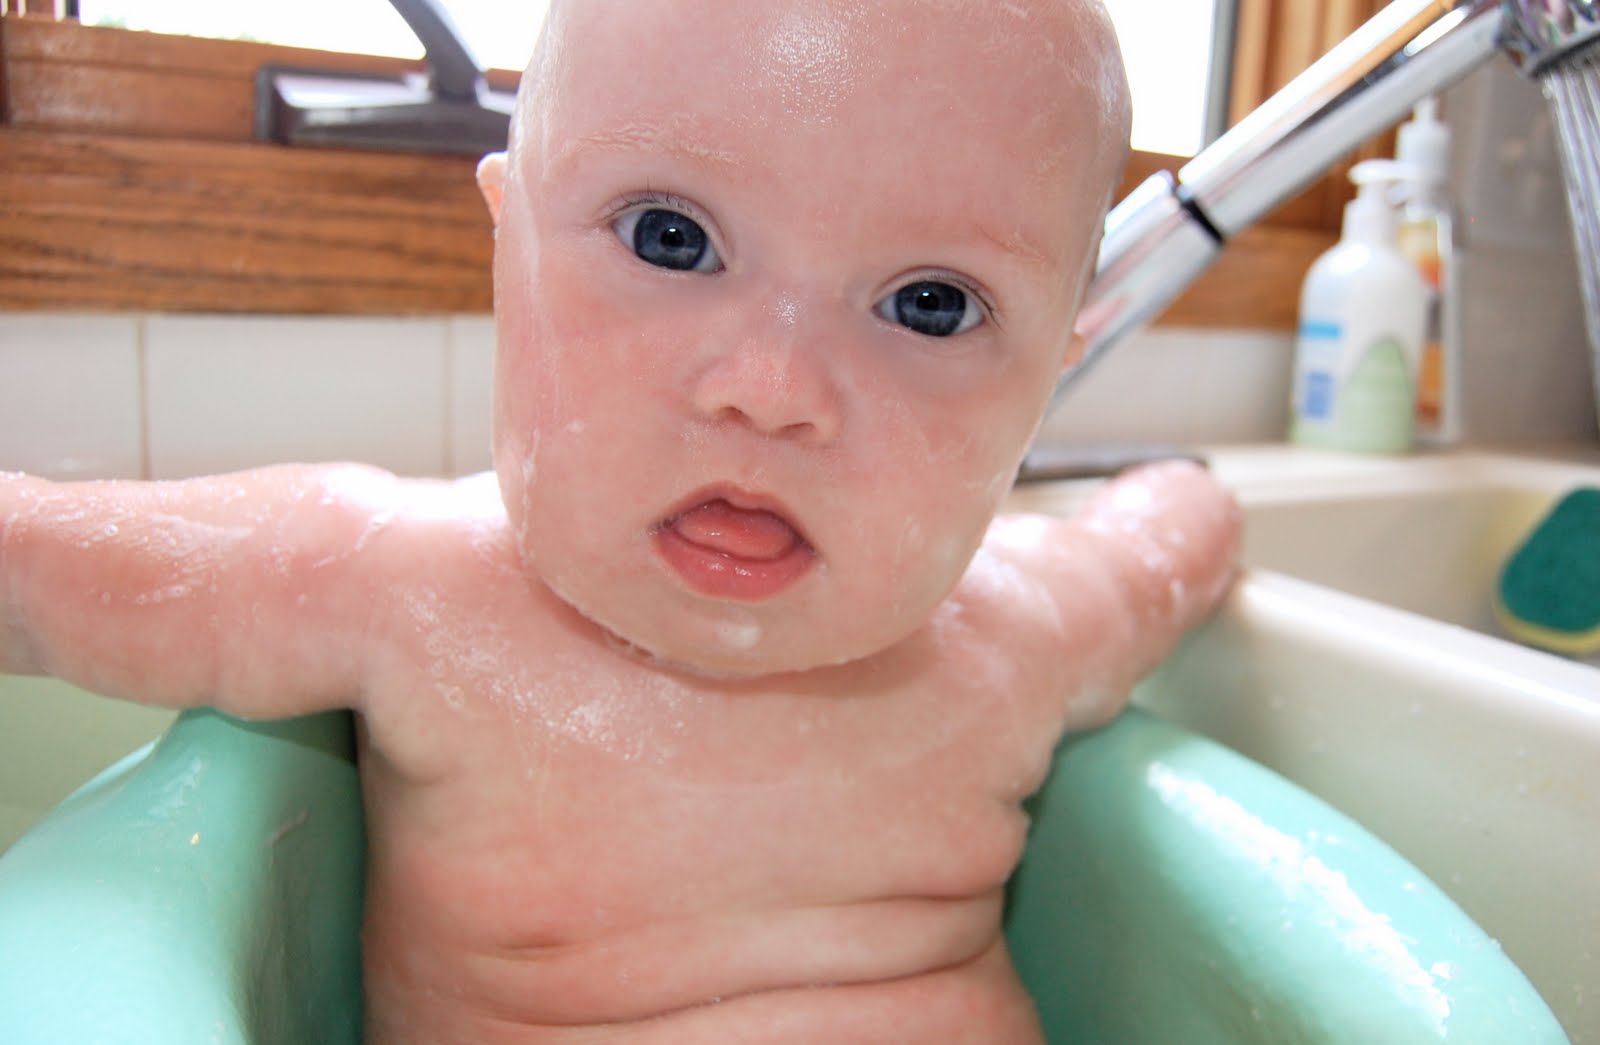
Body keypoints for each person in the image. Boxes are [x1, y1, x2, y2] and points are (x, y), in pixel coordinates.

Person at [0, 0, 1241, 1040]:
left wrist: (1197, 498)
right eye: (671, 238)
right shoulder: (396, 585)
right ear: (508, 236)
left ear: (1049, 376)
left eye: (928, 305)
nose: (770, 389)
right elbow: (36, 569)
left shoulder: (1019, 634)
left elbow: (1165, 547)